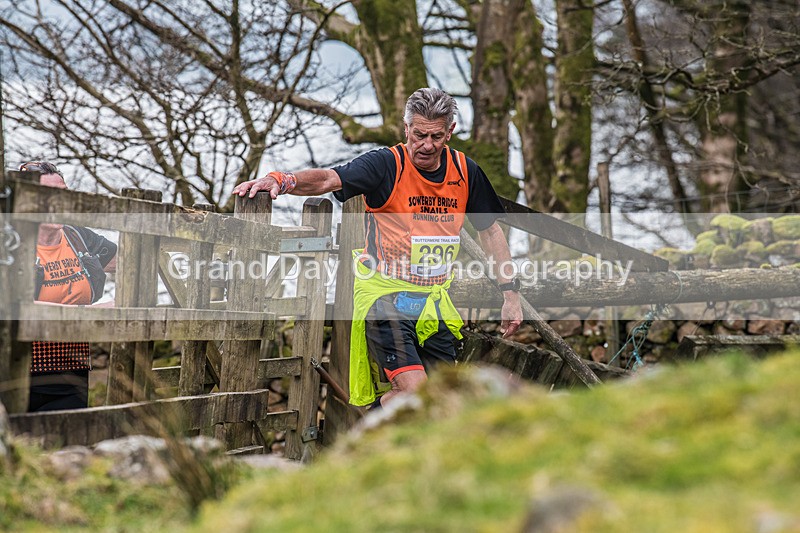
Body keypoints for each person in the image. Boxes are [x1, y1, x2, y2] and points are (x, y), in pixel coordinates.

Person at [233, 88, 522, 408]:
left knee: (443, 402)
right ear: (406, 127)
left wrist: (510, 293)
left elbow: (491, 231)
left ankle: (383, 434)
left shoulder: (466, 171)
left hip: (433, 303)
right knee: (418, 395)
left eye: (436, 136)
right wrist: (282, 180)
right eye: (420, 134)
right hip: (386, 298)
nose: (427, 145)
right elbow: (329, 179)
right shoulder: (386, 165)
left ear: (450, 131)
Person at [20, 161, 117, 412]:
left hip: (72, 374)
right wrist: (89, 314)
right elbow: (13, 304)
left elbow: (138, 264)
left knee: (68, 448)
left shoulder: (79, 238)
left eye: (64, 193)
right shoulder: (10, 241)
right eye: (47, 194)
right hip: (17, 372)